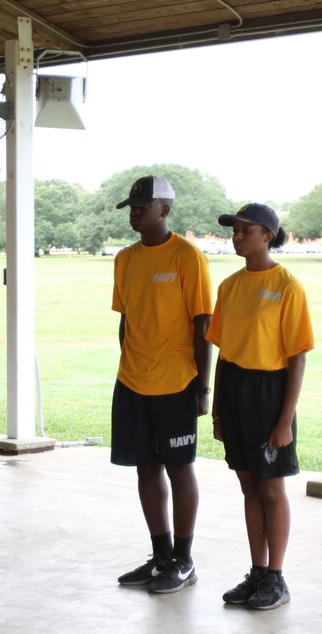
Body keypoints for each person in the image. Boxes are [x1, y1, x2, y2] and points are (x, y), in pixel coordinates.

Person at [208, 203, 313, 610]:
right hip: (234, 389)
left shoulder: (287, 286)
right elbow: (223, 352)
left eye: (245, 231)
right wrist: (218, 410)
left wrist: (284, 420)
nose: (236, 237)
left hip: (270, 392)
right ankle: (256, 572)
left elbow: (297, 356)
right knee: (248, 484)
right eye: (234, 231)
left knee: (271, 487)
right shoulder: (230, 286)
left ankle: (276, 576)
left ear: (267, 236)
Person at [111, 175, 213, 594]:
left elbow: (202, 322)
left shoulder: (187, 257)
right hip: (132, 381)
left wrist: (202, 387)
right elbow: (126, 319)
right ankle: (161, 556)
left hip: (176, 382)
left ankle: (184, 560)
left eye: (143, 205)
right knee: (145, 467)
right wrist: (127, 364)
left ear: (165, 210)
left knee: (178, 468)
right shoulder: (125, 258)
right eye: (132, 206)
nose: (135, 212)